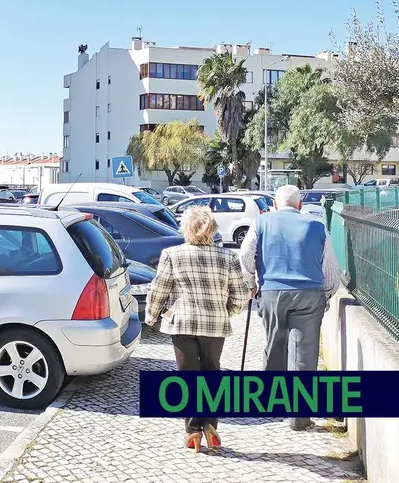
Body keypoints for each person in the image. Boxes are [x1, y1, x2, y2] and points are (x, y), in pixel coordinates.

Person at [145, 206, 251, 452]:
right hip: (215, 325)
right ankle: (210, 425)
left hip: (182, 323)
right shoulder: (228, 257)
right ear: (212, 229)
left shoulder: (172, 254)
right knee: (211, 373)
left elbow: (159, 288)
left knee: (188, 377)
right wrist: (228, 311)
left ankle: (193, 431)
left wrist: (151, 315)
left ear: (186, 229)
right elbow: (242, 294)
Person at [238, 184, 341, 431]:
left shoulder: (261, 223)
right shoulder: (317, 228)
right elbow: (331, 269)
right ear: (300, 206)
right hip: (309, 294)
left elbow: (244, 255)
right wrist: (326, 294)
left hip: (272, 292)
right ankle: (299, 418)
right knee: (304, 356)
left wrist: (252, 282)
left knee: (274, 345)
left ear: (274, 205)